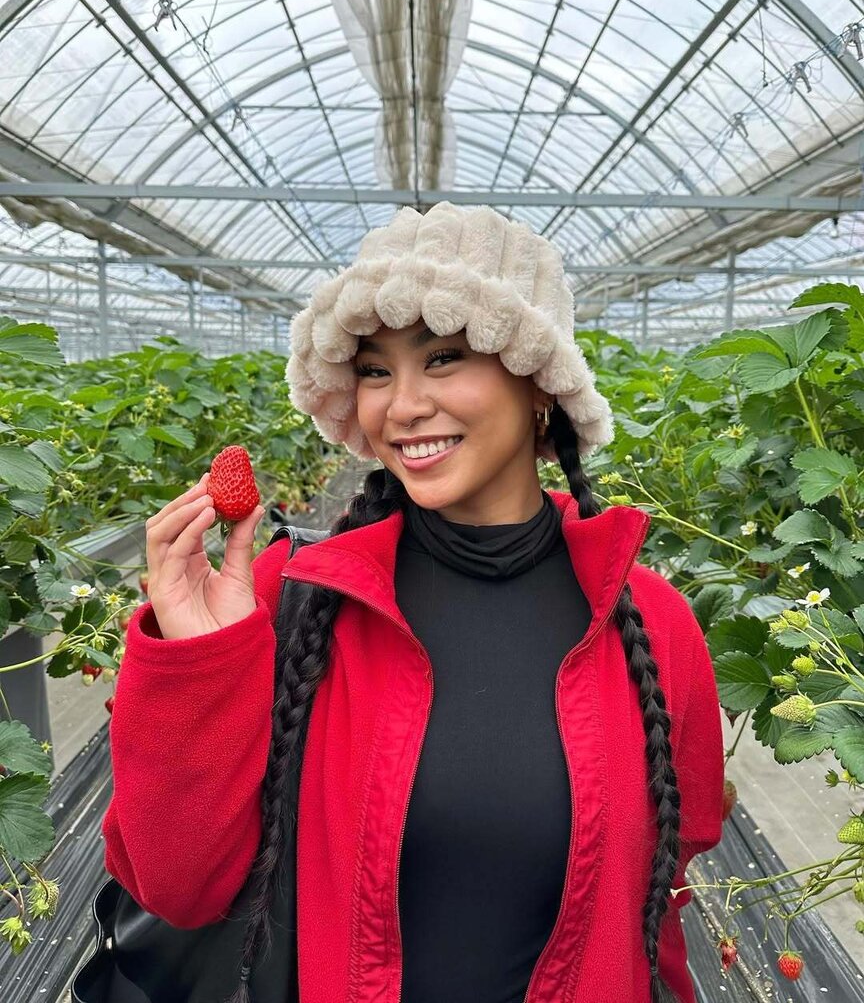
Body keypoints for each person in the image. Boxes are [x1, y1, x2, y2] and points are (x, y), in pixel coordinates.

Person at [102, 201, 725, 1003]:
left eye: (443, 357)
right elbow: (177, 889)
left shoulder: (652, 624)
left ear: (538, 380)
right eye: (374, 370)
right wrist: (199, 663)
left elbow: (663, 886)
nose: (401, 406)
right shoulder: (297, 599)